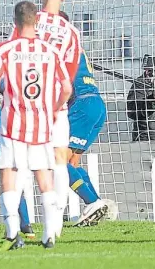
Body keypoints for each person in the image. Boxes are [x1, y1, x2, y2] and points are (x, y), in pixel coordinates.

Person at [0, 1, 73, 250]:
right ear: (36, 21)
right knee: (44, 177)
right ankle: (49, 234)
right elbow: (67, 88)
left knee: (9, 174)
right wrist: (54, 109)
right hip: (42, 125)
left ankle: (12, 233)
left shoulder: (5, 49)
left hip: (13, 124)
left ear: (15, 21)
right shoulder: (50, 51)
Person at [9, 0, 82, 237]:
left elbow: (11, 58)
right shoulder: (71, 32)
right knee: (59, 161)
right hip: (55, 105)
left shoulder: (27, 23)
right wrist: (58, 104)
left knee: (21, 164)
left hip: (25, 105)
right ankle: (55, 226)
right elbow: (69, 77)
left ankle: (15, 226)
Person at [56, 11, 111, 226]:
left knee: (56, 160)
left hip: (82, 104)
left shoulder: (62, 46)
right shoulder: (76, 45)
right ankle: (96, 206)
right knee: (71, 161)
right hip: (96, 103)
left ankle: (93, 201)